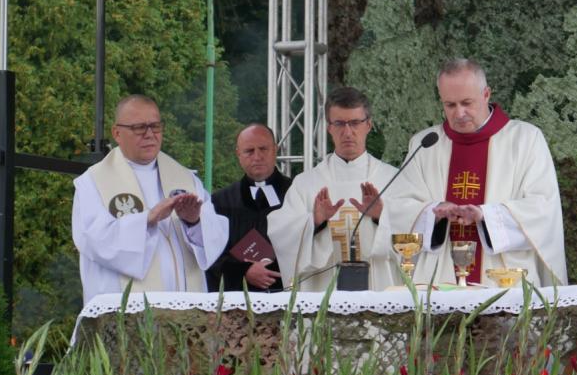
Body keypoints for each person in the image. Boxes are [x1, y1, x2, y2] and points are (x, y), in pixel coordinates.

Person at [389, 59, 567, 287]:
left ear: (486, 94)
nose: (459, 113)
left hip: (503, 280)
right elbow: (400, 208)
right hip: (437, 280)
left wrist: (487, 216)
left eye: (466, 103)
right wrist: (434, 214)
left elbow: (544, 210)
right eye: (450, 105)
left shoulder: (525, 139)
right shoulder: (425, 144)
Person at [71, 94, 228, 303]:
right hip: (125, 311)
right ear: (117, 133)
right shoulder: (93, 182)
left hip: (185, 310)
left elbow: (214, 238)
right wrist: (147, 219)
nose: (149, 134)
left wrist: (194, 221)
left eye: (155, 126)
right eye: (139, 127)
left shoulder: (186, 178)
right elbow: (93, 241)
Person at [267, 87, 400, 290]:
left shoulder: (391, 179)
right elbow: (280, 234)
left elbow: (415, 236)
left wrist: (381, 216)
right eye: (339, 123)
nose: (347, 132)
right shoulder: (306, 184)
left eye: (355, 123)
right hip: (323, 291)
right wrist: (314, 221)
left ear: (369, 125)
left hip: (378, 290)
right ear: (329, 128)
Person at [207, 123, 291, 292]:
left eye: (263, 149)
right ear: (238, 154)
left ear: (276, 149)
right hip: (237, 301)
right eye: (249, 151)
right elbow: (210, 254)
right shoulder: (219, 201)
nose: (257, 156)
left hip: (288, 294)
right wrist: (243, 271)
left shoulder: (297, 193)